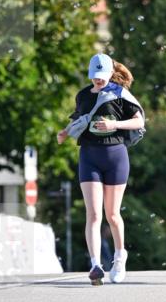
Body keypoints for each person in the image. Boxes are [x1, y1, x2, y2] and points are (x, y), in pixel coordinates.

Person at [57, 54, 145, 285]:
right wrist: (65, 132)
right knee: (94, 214)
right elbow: (80, 118)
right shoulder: (83, 95)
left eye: (102, 77)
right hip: (89, 156)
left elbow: (139, 122)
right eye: (94, 78)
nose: (98, 81)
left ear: (109, 73)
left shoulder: (119, 94)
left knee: (112, 215)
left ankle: (119, 257)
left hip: (116, 156)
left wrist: (114, 124)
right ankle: (96, 265)